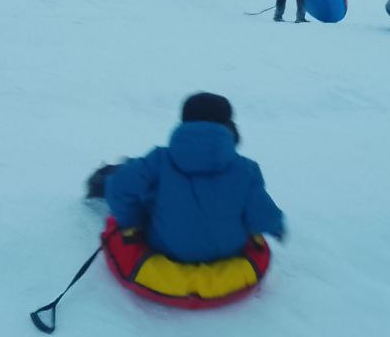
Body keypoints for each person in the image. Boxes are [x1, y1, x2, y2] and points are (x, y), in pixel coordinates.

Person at [105, 93, 285, 265]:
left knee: (145, 188)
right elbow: (263, 215)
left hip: (165, 249)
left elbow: (118, 188)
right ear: (229, 126)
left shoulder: (158, 161)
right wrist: (277, 228)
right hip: (228, 254)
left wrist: (132, 222)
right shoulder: (246, 169)